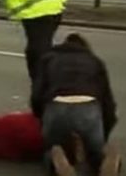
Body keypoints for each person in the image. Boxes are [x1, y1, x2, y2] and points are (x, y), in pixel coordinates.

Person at [30, 33, 120, 176]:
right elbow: (108, 103)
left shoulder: (47, 59)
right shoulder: (95, 61)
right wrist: (104, 135)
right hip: (89, 106)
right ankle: (103, 161)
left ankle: (58, 163)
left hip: (57, 105)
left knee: (52, 148)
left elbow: (37, 95)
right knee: (94, 152)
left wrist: (41, 119)